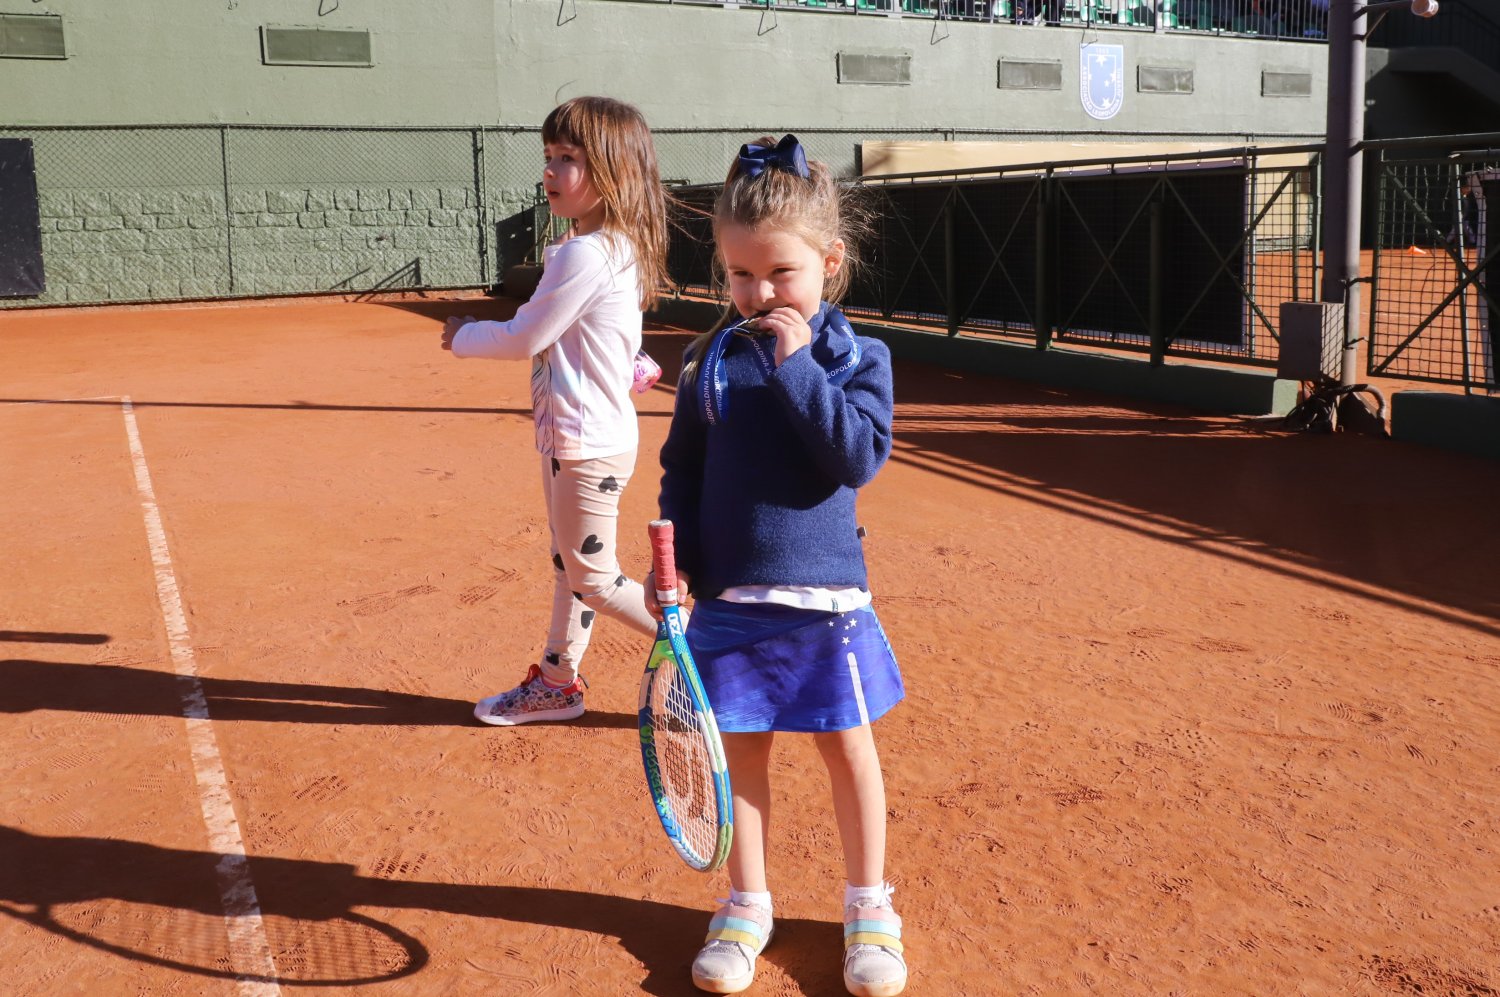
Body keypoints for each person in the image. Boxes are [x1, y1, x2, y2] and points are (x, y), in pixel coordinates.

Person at [648, 135, 908, 997]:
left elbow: (855, 455)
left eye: (781, 274)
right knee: (741, 756)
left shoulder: (857, 358)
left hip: (826, 602)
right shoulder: (707, 362)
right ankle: (747, 903)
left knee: (848, 750)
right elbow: (683, 469)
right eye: (740, 275)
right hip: (730, 601)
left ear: (829, 263)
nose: (759, 293)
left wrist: (798, 369)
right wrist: (677, 556)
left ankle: (869, 909)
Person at [441, 96, 666, 725]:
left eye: (568, 157)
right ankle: (558, 682)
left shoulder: (586, 253)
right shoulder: (604, 245)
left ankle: (707, 649)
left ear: (615, 171)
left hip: (586, 442)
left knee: (593, 577)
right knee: (572, 565)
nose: (550, 170)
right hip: (577, 437)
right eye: (548, 155)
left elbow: (526, 335)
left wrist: (462, 335)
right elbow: (602, 336)